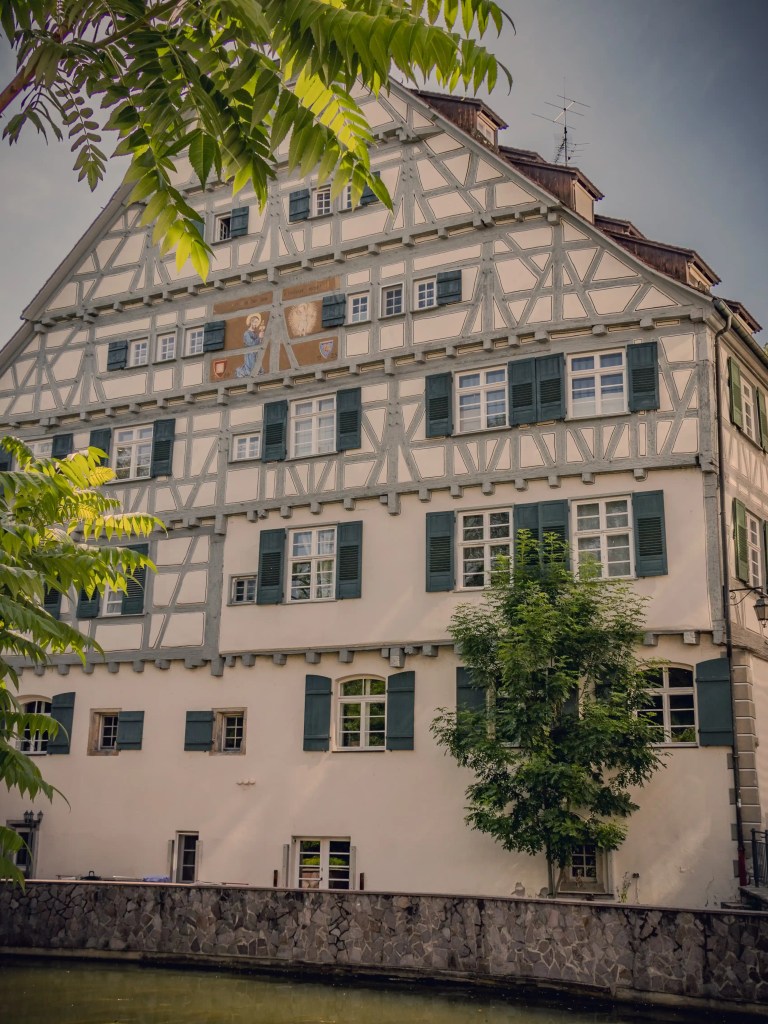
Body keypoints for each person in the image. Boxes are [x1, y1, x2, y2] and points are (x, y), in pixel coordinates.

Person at [235, 312, 264, 377]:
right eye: (255, 322)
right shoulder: (246, 333)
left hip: (256, 354)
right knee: (251, 370)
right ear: (251, 322)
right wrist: (259, 337)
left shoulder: (255, 334)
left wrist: (261, 338)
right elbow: (251, 344)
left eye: (257, 322)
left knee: (258, 369)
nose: (256, 324)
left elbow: (258, 344)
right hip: (250, 355)